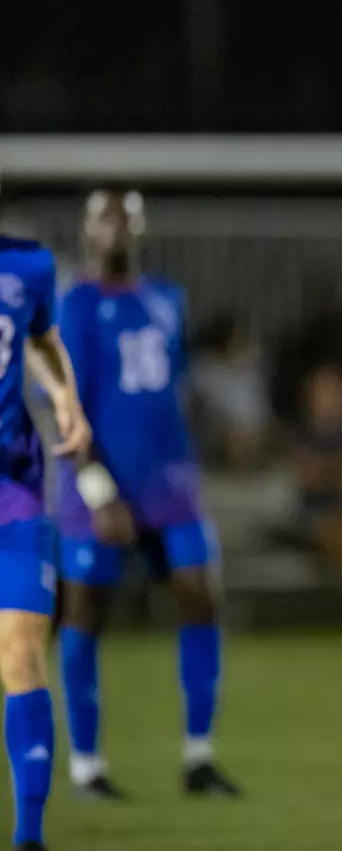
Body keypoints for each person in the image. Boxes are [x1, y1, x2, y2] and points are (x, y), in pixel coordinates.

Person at [53, 189, 240, 800]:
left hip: (170, 484)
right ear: (87, 232)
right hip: (99, 485)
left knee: (199, 595)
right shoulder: (73, 307)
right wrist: (97, 487)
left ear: (139, 230)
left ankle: (199, 757)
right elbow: (67, 406)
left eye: (124, 222)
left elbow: (170, 389)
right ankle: (86, 767)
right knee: (86, 612)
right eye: (104, 222)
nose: (115, 233)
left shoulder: (166, 300)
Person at [0, 232, 91, 851]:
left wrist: (66, 397)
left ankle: (29, 836)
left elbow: (40, 336)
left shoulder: (27, 263)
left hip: (14, 486)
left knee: (20, 651)